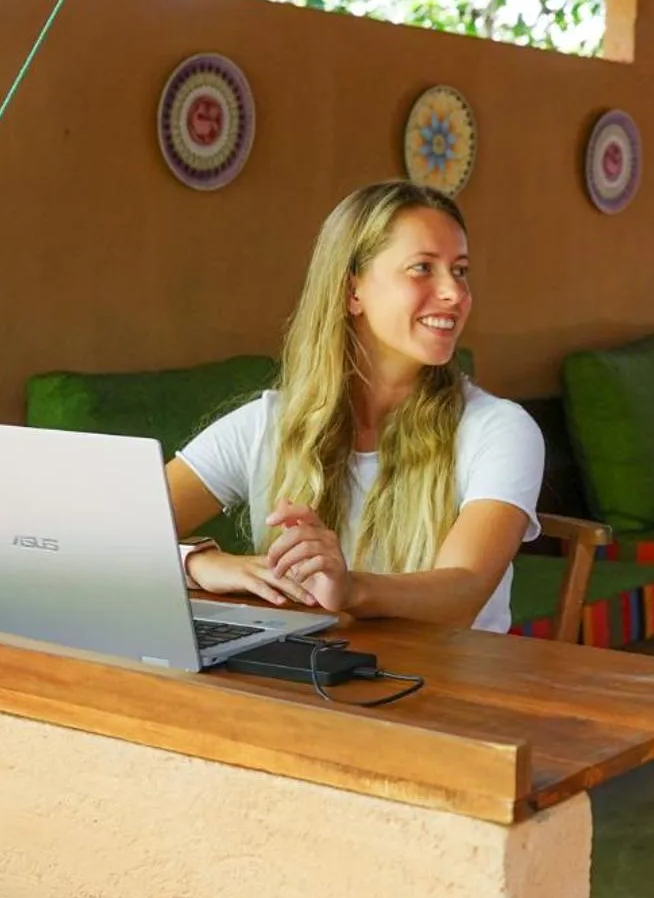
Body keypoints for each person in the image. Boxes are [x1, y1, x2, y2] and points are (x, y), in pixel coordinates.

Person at [164, 180, 544, 632]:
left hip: (450, 688)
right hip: (306, 683)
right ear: (352, 292)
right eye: (423, 268)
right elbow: (114, 535)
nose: (455, 294)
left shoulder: (499, 429)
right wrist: (199, 563)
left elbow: (464, 591)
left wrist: (350, 589)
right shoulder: (269, 423)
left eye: (459, 270)